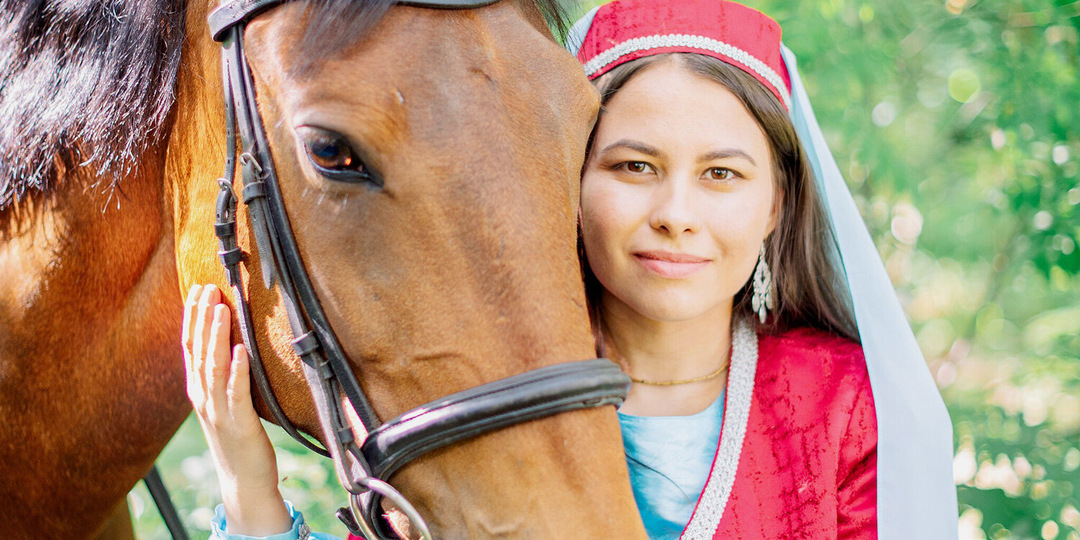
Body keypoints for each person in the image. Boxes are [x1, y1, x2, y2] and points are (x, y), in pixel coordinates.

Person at [183, 0, 958, 538]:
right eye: (632, 166)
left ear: (777, 205)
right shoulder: (495, 381)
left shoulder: (848, 409)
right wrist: (250, 488)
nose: (676, 212)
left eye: (722, 175)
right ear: (561, 183)